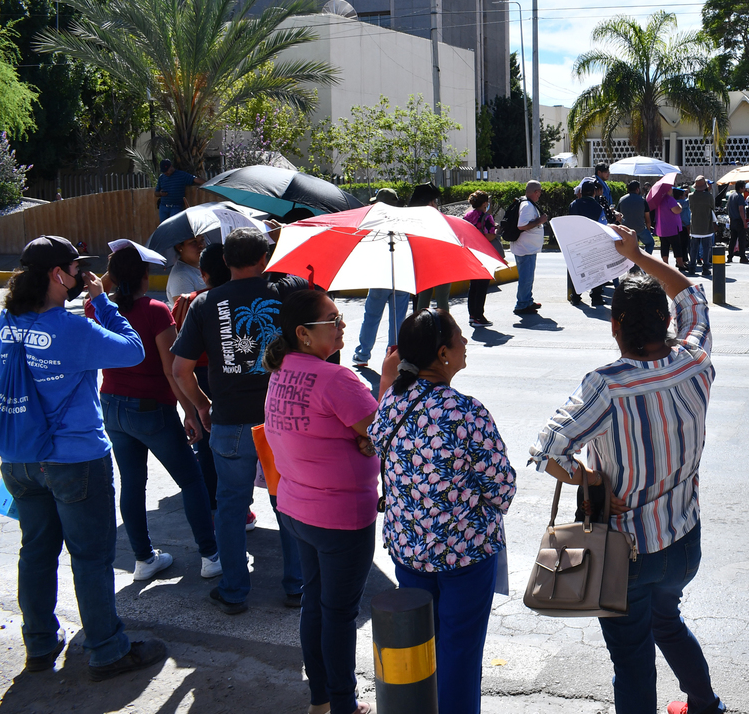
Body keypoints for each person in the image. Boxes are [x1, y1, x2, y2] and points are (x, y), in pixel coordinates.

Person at [530, 225, 727, 714]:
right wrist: (638, 255)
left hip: (626, 550)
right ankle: (705, 704)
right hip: (683, 540)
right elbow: (693, 296)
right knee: (669, 623)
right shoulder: (695, 362)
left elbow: (548, 450)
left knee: (632, 658)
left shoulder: (607, 386)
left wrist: (589, 479)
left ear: (614, 324)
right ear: (665, 320)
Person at [0, 236, 168, 680]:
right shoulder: (72, 329)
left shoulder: (2, 325)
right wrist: (102, 303)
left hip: (18, 458)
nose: (81, 275)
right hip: (75, 460)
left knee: (36, 551)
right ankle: (107, 650)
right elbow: (132, 349)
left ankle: (39, 645)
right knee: (90, 557)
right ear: (58, 275)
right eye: (75, 268)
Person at [369, 308, 516, 714]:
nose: (465, 342)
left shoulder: (392, 401)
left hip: (409, 551)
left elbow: (378, 445)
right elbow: (502, 489)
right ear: (442, 353)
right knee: (460, 654)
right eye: (459, 337)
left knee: (420, 652)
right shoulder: (466, 411)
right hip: (465, 556)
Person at [171, 228, 307, 615]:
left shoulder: (204, 303)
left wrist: (202, 406)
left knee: (230, 508)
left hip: (229, 422)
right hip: (281, 420)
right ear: (264, 259)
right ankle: (296, 585)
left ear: (224, 262)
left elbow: (180, 370)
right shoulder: (286, 293)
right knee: (288, 503)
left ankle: (233, 590)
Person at [265, 290, 380, 714]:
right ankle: (343, 705)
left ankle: (321, 700)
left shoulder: (281, 369)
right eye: (332, 319)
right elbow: (386, 430)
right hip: (340, 517)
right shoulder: (336, 379)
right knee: (338, 614)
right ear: (303, 333)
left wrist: (364, 440)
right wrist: (388, 379)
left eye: (340, 316)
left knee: (315, 605)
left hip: (297, 508)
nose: (342, 324)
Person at [97, 245, 219, 583]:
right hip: (151, 408)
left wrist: (114, 271)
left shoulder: (98, 309)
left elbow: (102, 287)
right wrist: (191, 410)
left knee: (132, 484)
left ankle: (143, 559)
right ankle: (210, 556)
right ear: (145, 276)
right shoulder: (155, 311)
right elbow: (171, 370)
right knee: (191, 480)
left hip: (112, 406)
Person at [171, 242, 232, 514]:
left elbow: (177, 359)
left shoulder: (188, 302)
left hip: (198, 379)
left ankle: (213, 503)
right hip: (233, 378)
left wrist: (194, 405)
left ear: (203, 273)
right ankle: (240, 505)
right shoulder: (241, 300)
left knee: (208, 446)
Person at [352, 188, 411, 367]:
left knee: (371, 316)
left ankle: (363, 354)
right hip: (402, 276)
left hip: (379, 276)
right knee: (398, 319)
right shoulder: (406, 223)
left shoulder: (374, 223)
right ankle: (393, 355)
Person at [410, 183, 453, 313]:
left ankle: (420, 323)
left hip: (422, 263)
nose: (436, 204)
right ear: (429, 203)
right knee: (442, 299)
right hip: (441, 262)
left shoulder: (412, 219)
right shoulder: (436, 219)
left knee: (423, 298)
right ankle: (444, 324)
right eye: (435, 201)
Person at [463, 190, 498, 328]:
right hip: (483, 254)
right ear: (484, 203)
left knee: (473, 286)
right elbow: (489, 236)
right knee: (482, 286)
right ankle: (479, 316)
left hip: (471, 253)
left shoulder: (467, 216)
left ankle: (472, 315)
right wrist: (496, 231)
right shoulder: (487, 217)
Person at [512, 180, 547, 316]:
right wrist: (540, 221)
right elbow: (522, 225)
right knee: (526, 279)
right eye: (540, 192)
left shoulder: (527, 203)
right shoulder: (527, 206)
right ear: (536, 192)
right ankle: (521, 305)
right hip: (525, 249)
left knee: (528, 278)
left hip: (527, 248)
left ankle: (527, 300)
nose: (540, 195)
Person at [653, 184, 687, 272]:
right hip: (671, 227)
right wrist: (679, 205)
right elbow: (677, 210)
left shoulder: (658, 200)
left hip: (661, 227)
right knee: (676, 246)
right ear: (668, 190)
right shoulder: (669, 199)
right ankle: (680, 264)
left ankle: (665, 264)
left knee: (664, 246)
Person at [166, 235, 207, 307]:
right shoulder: (181, 276)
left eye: (202, 239)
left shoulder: (204, 266)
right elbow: (184, 311)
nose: (201, 245)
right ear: (179, 247)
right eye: (194, 242)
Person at [687, 176, 715, 278]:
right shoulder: (709, 196)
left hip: (695, 225)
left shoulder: (691, 196)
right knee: (706, 248)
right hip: (706, 225)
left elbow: (691, 208)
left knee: (694, 248)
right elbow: (712, 207)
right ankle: (706, 268)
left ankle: (692, 267)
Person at [618, 180, 654, 253]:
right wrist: (648, 230)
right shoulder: (642, 200)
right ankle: (645, 258)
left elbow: (618, 215)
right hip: (640, 229)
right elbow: (647, 219)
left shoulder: (622, 200)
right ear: (637, 189)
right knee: (650, 243)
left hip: (626, 229)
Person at [726, 181, 749, 263]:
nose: (745, 189)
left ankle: (730, 256)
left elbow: (728, 208)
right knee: (742, 239)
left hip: (732, 220)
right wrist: (744, 222)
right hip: (739, 220)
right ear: (740, 188)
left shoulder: (731, 195)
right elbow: (741, 210)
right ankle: (742, 256)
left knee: (732, 239)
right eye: (744, 187)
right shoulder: (740, 196)